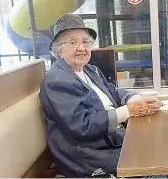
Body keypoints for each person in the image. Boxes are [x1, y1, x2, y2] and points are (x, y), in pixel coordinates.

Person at [39, 14, 161, 177]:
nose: (81, 48)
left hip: (108, 141)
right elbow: (82, 125)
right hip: (87, 155)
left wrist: (135, 99)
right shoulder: (57, 81)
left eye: (85, 41)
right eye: (73, 42)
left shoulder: (90, 70)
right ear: (59, 51)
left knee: (160, 145)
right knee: (154, 162)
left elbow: (113, 91)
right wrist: (128, 111)